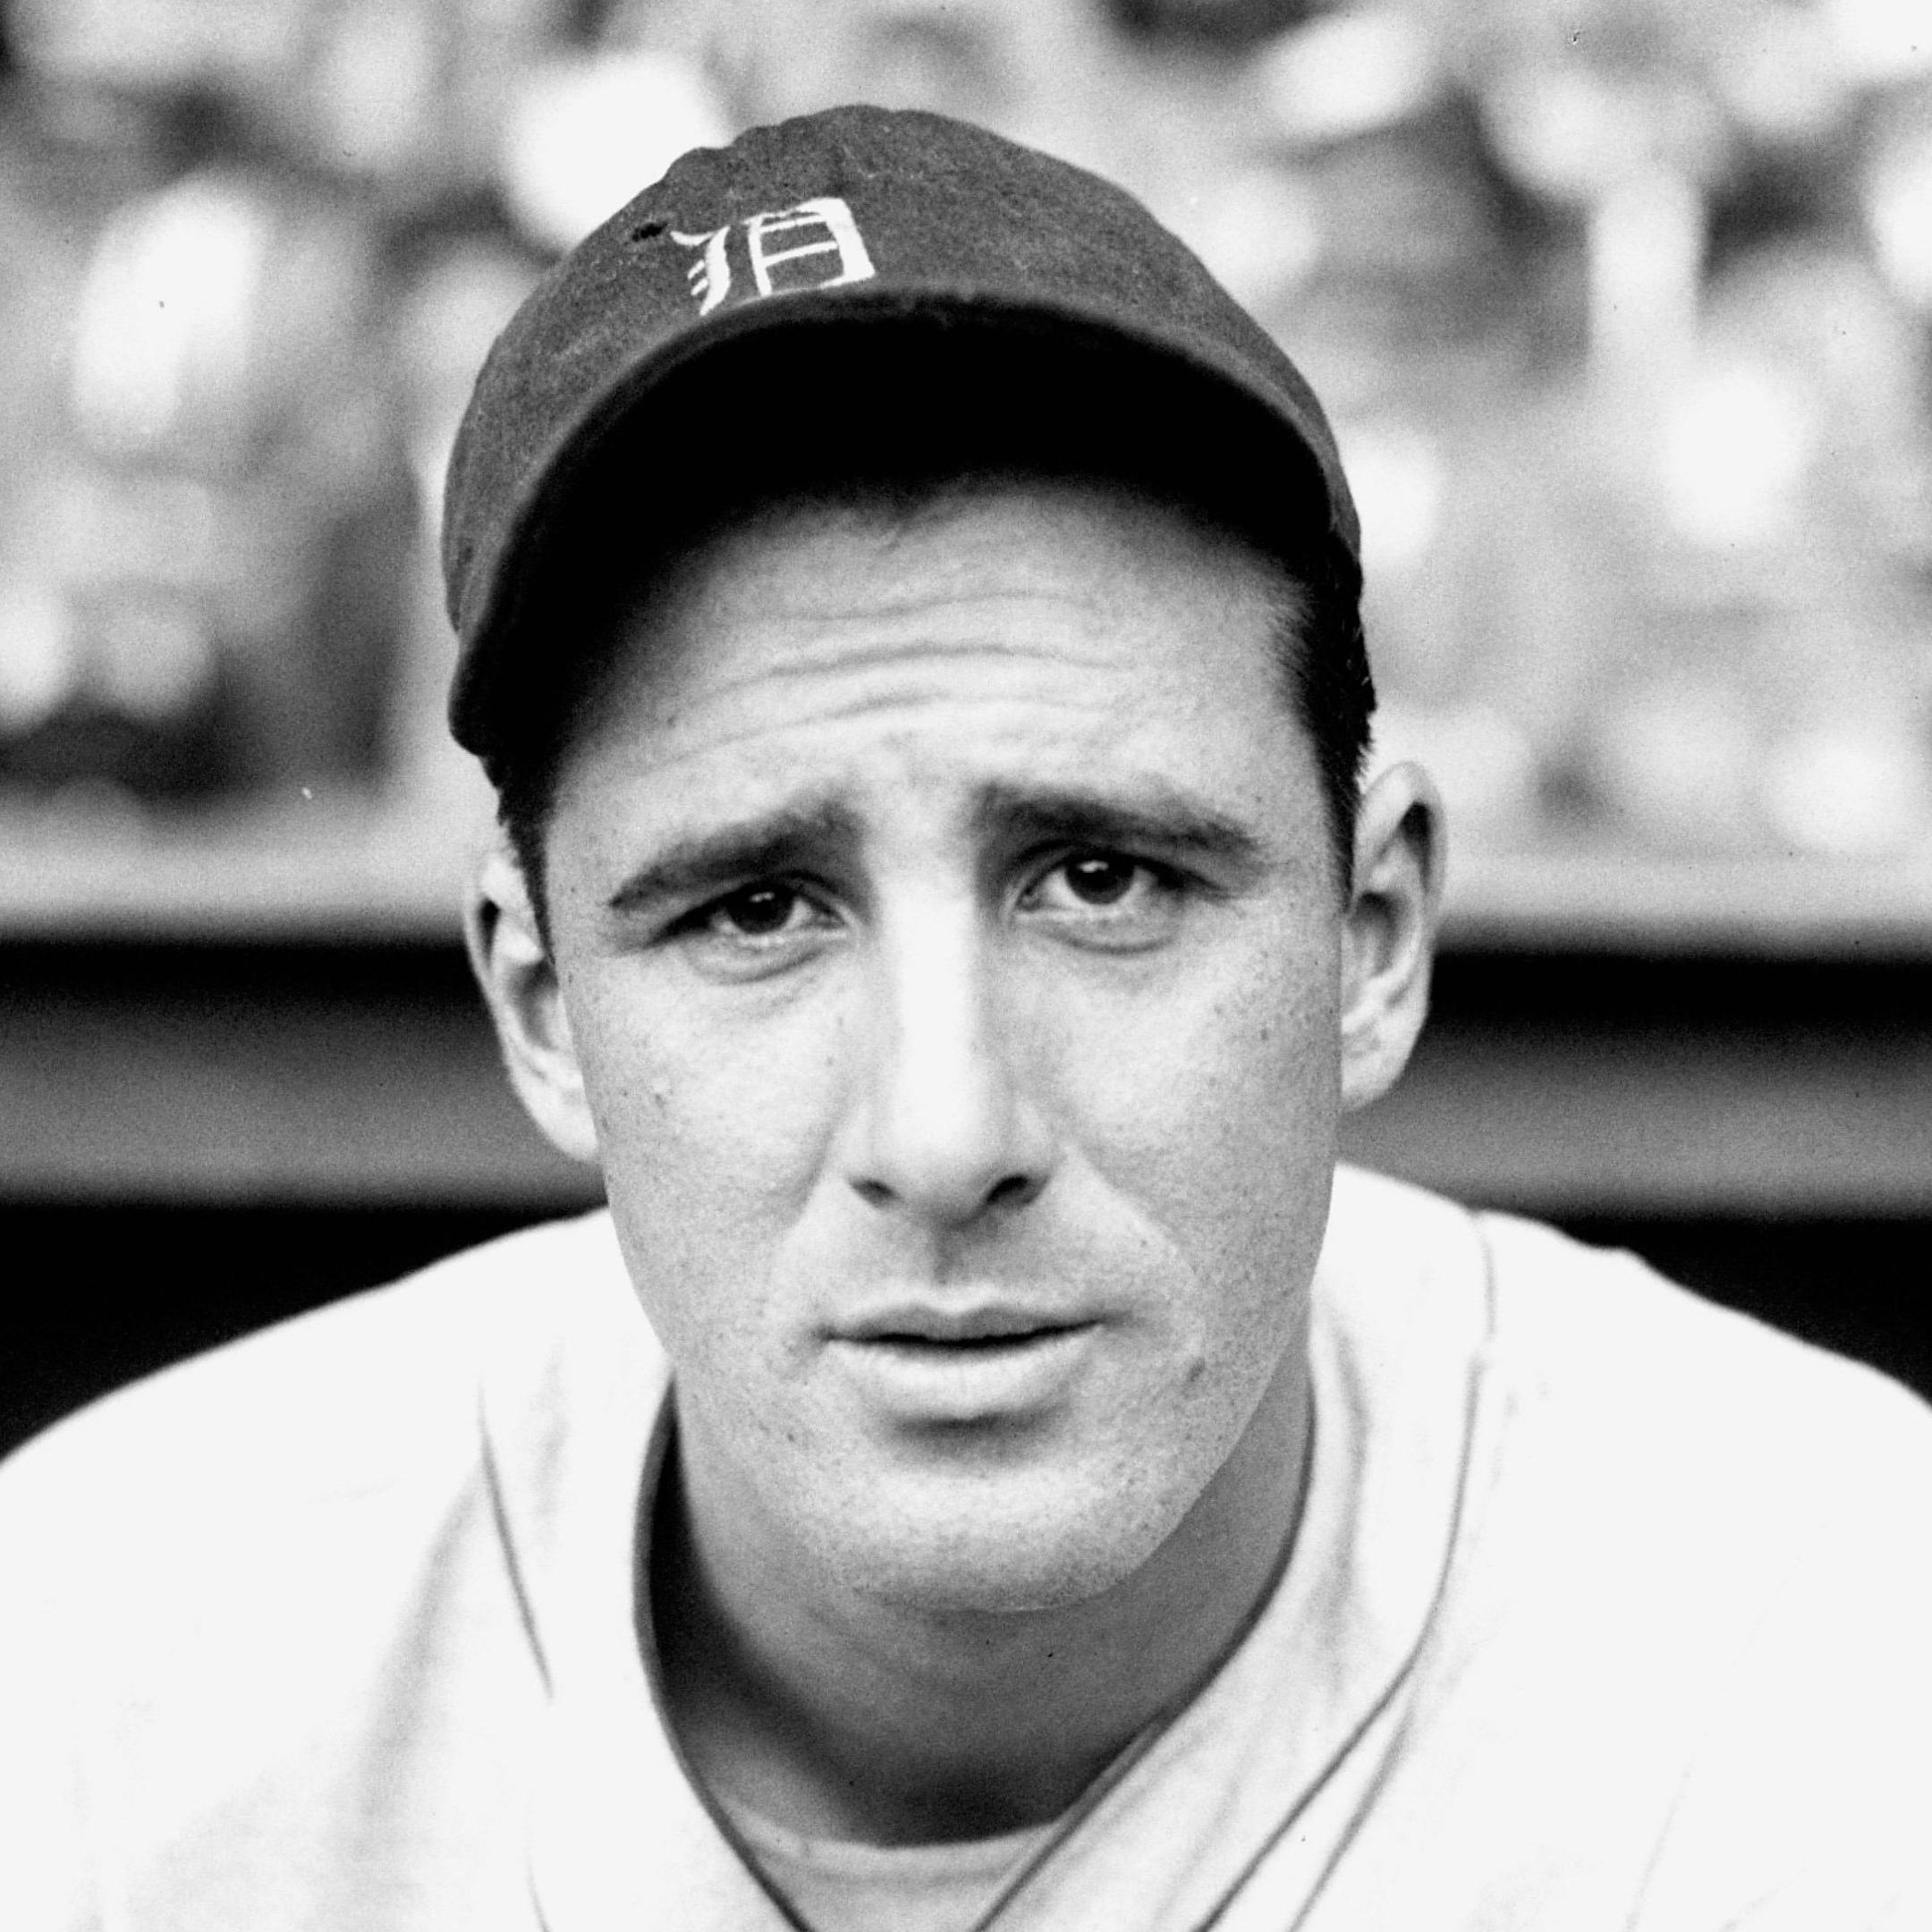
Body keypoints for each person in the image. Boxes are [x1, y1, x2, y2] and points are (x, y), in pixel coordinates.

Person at [3, 106, 1928, 1932]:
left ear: (1371, 931)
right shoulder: (100, 1676)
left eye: (1102, 878)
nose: (944, 1130)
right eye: (756, 907)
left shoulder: (1837, 1656)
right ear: (540, 1008)